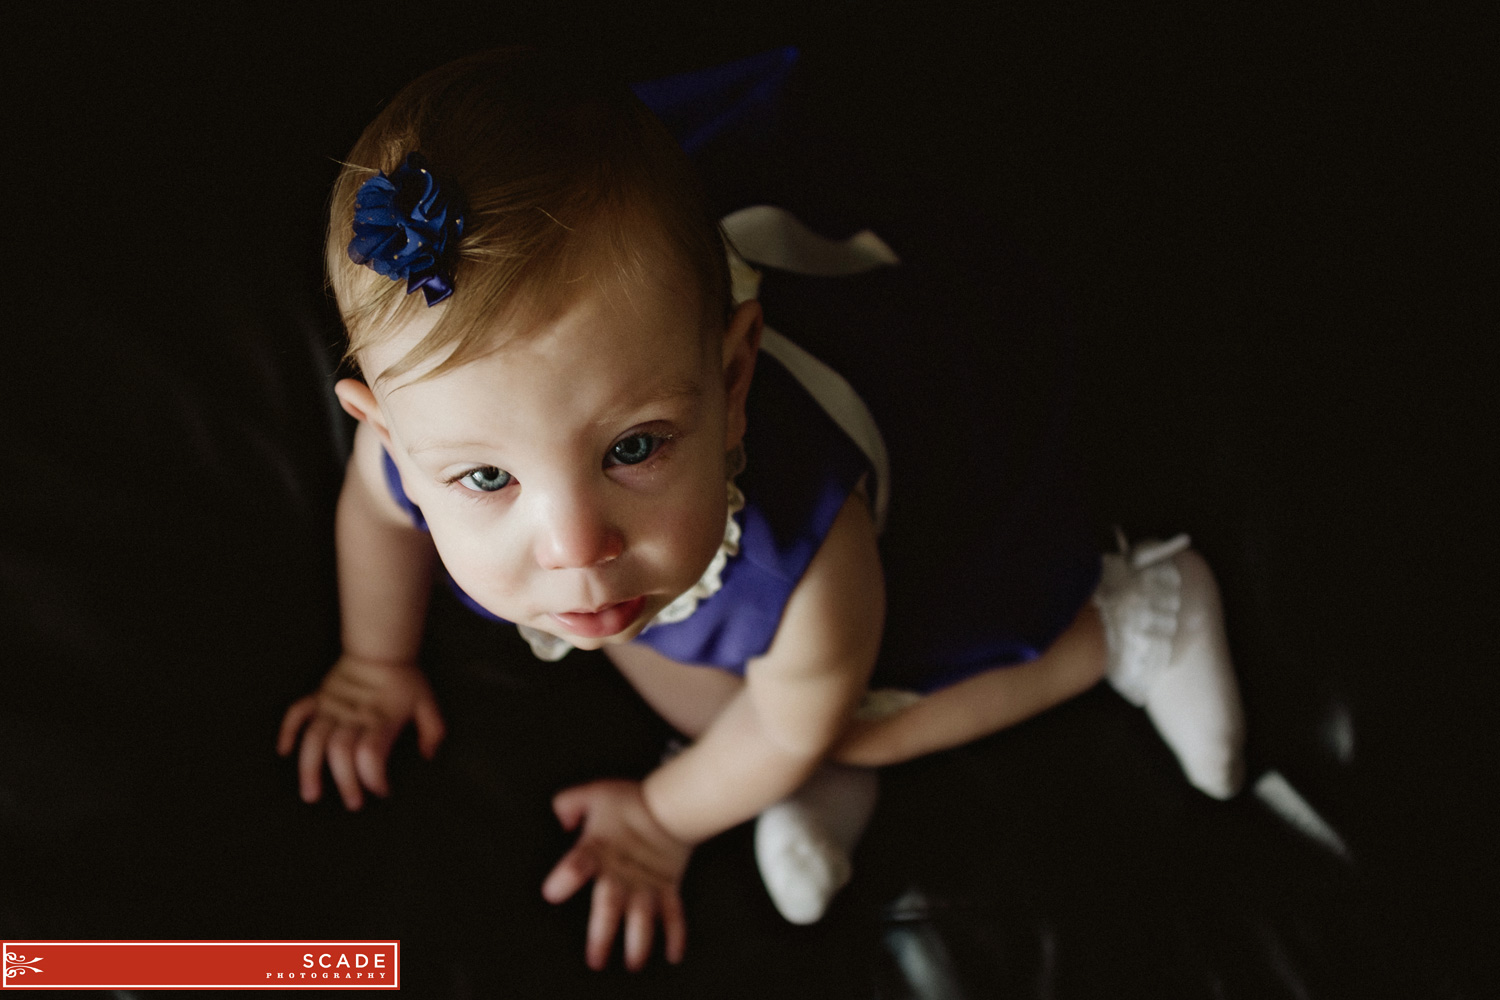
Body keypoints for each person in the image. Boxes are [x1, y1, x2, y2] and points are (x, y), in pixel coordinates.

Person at [277, 46, 1247, 972]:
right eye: (486, 480)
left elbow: (792, 720)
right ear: (391, 432)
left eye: (633, 447)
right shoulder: (421, 442)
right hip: (728, 622)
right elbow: (375, 511)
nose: (577, 546)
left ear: (734, 380)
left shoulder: (811, 548)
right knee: (714, 689)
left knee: (841, 720)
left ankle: (1132, 620)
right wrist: (375, 660)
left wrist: (665, 817)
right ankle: (803, 777)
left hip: (908, 504)